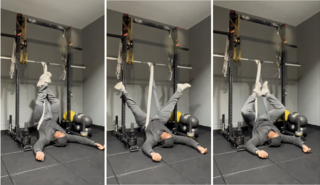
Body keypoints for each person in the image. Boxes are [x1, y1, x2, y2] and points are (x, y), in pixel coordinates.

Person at [114, 81, 207, 162]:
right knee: (171, 105)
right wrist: (199, 147)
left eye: (167, 135)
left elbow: (146, 146)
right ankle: (179, 89)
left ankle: (123, 90)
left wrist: (152, 154)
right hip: (160, 119)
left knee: (134, 108)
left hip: (145, 123)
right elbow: (187, 140)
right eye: (170, 134)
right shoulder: (173, 137)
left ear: (163, 139)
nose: (168, 133)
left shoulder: (153, 139)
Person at [33, 63, 104, 162]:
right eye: (62, 134)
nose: (60, 132)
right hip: (52, 118)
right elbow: (79, 139)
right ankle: (44, 83)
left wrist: (38, 151)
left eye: (59, 135)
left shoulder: (46, 138)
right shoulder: (64, 134)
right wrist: (94, 143)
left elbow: (38, 144)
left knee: (40, 103)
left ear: (56, 139)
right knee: (56, 102)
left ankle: (44, 83)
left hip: (40, 120)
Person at [241, 81, 311, 159]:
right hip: (268, 119)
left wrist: (257, 151)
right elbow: (293, 139)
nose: (274, 132)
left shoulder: (260, 138)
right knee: (282, 109)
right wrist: (303, 145)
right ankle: (267, 92)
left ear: (270, 138)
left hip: (255, 122)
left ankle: (255, 91)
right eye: (276, 133)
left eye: (273, 134)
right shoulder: (280, 136)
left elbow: (248, 144)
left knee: (244, 111)